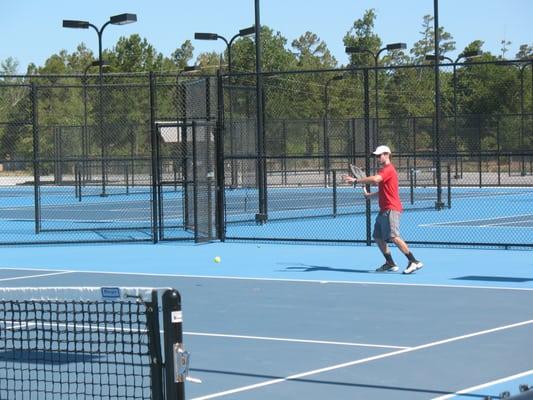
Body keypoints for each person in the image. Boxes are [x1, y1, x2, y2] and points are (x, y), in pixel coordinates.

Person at [343, 145, 423, 274]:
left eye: (380, 155)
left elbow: (375, 179)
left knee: (394, 237)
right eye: (377, 155)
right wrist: (370, 195)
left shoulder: (388, 169)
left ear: (387, 154)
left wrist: (355, 180)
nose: (378, 157)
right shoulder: (384, 170)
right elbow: (383, 191)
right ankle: (390, 263)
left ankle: (413, 261)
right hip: (383, 210)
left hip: (391, 209)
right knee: (378, 237)